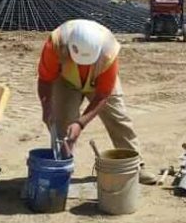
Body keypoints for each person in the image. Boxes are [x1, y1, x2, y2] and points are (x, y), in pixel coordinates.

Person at [37, 18, 157, 185]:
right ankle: (62, 167)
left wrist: (80, 123)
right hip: (65, 80)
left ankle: (135, 166)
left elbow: (103, 95)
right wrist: (47, 109)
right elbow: (45, 80)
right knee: (62, 123)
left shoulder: (109, 52)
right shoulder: (56, 44)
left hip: (100, 80)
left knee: (118, 119)